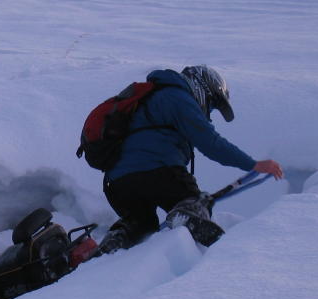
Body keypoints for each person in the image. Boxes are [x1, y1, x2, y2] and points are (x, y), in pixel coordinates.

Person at [97, 65, 283, 253]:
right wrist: (253, 164)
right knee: (195, 202)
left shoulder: (153, 99)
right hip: (156, 169)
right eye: (211, 104)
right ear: (202, 87)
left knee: (142, 225)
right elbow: (211, 143)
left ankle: (113, 245)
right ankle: (186, 219)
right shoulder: (177, 97)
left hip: (117, 182)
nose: (208, 112)